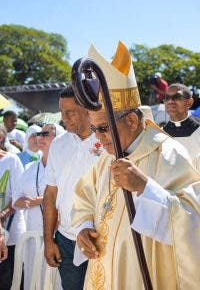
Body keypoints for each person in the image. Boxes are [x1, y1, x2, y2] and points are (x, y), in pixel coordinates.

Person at [71, 41, 200, 289]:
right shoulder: (107, 159)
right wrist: (85, 227)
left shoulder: (170, 154)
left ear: (131, 119)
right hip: (104, 271)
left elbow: (193, 221)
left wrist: (145, 188)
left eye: (103, 128)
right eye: (93, 129)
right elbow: (84, 198)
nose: (97, 137)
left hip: (141, 277)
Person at [43, 85, 103, 290]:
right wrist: (49, 240)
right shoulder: (58, 145)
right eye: (61, 112)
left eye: (70, 112)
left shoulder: (108, 141)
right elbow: (50, 193)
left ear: (88, 110)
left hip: (102, 239)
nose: (64, 118)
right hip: (67, 240)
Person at [13, 123, 64, 290]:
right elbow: (17, 201)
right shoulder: (29, 168)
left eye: (46, 134)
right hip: (33, 234)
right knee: (33, 278)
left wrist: (43, 199)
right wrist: (34, 202)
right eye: (39, 134)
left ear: (59, 138)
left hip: (59, 235)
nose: (40, 137)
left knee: (55, 280)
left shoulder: (65, 168)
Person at [0, 124, 24, 288]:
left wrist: (3, 215)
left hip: (11, 231)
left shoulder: (11, 160)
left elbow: (19, 195)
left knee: (10, 280)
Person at [163, 83, 200, 170]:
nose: (170, 101)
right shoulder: (159, 134)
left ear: (189, 102)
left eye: (177, 97)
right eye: (166, 98)